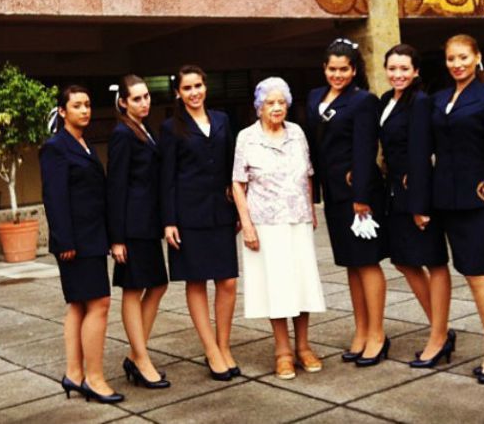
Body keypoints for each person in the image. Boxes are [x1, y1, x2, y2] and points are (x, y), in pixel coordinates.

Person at [418, 34, 484, 384]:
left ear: (477, 57)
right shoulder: (439, 98)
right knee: (462, 271)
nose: (457, 64)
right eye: (450, 59)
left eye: (463, 57)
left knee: (477, 275)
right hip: (444, 199)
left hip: (479, 200)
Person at [231, 77, 327, 380]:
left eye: (281, 103)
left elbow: (308, 175)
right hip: (265, 222)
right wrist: (246, 225)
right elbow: (237, 183)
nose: (276, 108)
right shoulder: (247, 137)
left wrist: (310, 208)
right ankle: (282, 351)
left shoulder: (297, 133)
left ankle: (303, 347)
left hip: (297, 219)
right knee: (276, 287)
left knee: (302, 285)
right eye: (270, 103)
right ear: (259, 107)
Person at [305, 38, 389, 367]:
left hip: (359, 196)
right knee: (351, 265)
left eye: (344, 69)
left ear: (354, 70)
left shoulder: (364, 101)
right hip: (334, 194)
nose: (337, 74)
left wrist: (362, 197)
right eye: (332, 69)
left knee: (367, 262)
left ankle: (377, 334)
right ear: (324, 69)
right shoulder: (315, 97)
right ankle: (360, 330)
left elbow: (366, 149)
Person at [40, 85, 124, 403]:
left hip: (90, 237)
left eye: (88, 105)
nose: (85, 110)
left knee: (78, 304)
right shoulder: (56, 147)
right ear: (62, 112)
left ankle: (74, 375)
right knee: (99, 303)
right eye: (77, 106)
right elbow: (55, 197)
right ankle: (95, 378)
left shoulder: (82, 143)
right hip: (75, 241)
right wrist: (65, 241)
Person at [160, 65, 240, 381]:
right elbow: (166, 177)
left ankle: (224, 345)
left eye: (198, 86)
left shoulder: (222, 120)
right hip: (188, 214)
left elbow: (233, 166)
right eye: (187, 88)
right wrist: (168, 221)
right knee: (197, 282)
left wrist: (238, 210)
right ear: (178, 93)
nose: (194, 93)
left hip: (221, 211)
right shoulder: (170, 128)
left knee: (228, 281)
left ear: (206, 87)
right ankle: (210, 350)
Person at [378, 44, 455, 368]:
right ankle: (442, 329)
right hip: (395, 191)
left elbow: (422, 153)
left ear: (416, 71)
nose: (398, 75)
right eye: (392, 68)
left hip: (419, 193)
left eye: (404, 69)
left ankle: (438, 336)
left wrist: (420, 204)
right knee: (404, 261)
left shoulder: (420, 102)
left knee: (434, 262)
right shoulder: (386, 100)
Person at [106, 75, 170, 389]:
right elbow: (115, 187)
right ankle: (141, 359)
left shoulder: (143, 129)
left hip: (147, 226)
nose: (144, 103)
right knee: (134, 289)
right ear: (123, 103)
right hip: (131, 228)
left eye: (146, 97)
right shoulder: (122, 134)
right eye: (137, 99)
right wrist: (116, 238)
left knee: (158, 285)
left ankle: (136, 354)